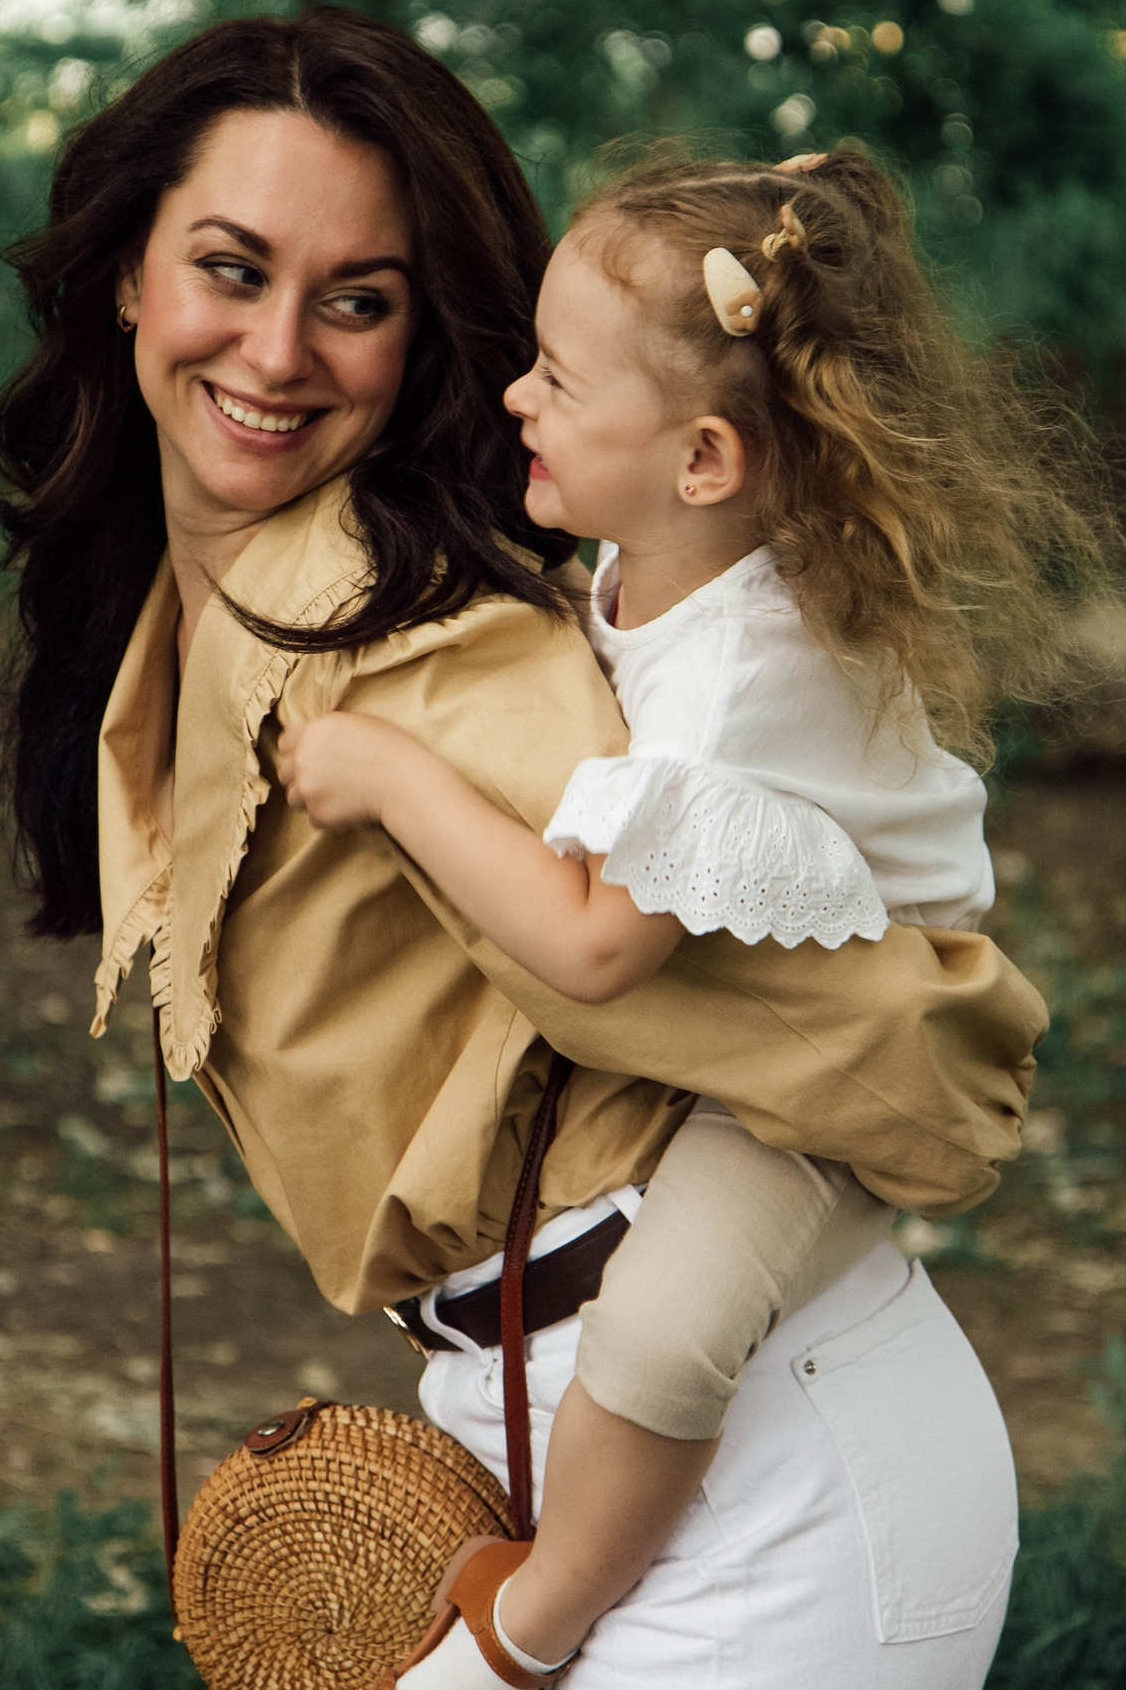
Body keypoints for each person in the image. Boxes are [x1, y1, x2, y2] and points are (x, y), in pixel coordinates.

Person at [0, 11, 1052, 1690]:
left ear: (418, 335)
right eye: (229, 270)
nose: (275, 352)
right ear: (127, 273)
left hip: (762, 1487)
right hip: (569, 1430)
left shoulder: (421, 634)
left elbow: (825, 1011)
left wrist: (959, 1051)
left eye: (358, 300)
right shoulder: (191, 604)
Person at [277, 144, 1115, 1684]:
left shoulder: (746, 674)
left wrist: (397, 777)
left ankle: (543, 1614)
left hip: (832, 1085)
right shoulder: (658, 551)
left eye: (554, 378)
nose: (516, 397)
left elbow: (595, 948)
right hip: (771, 1013)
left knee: (665, 1331)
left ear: (706, 460)